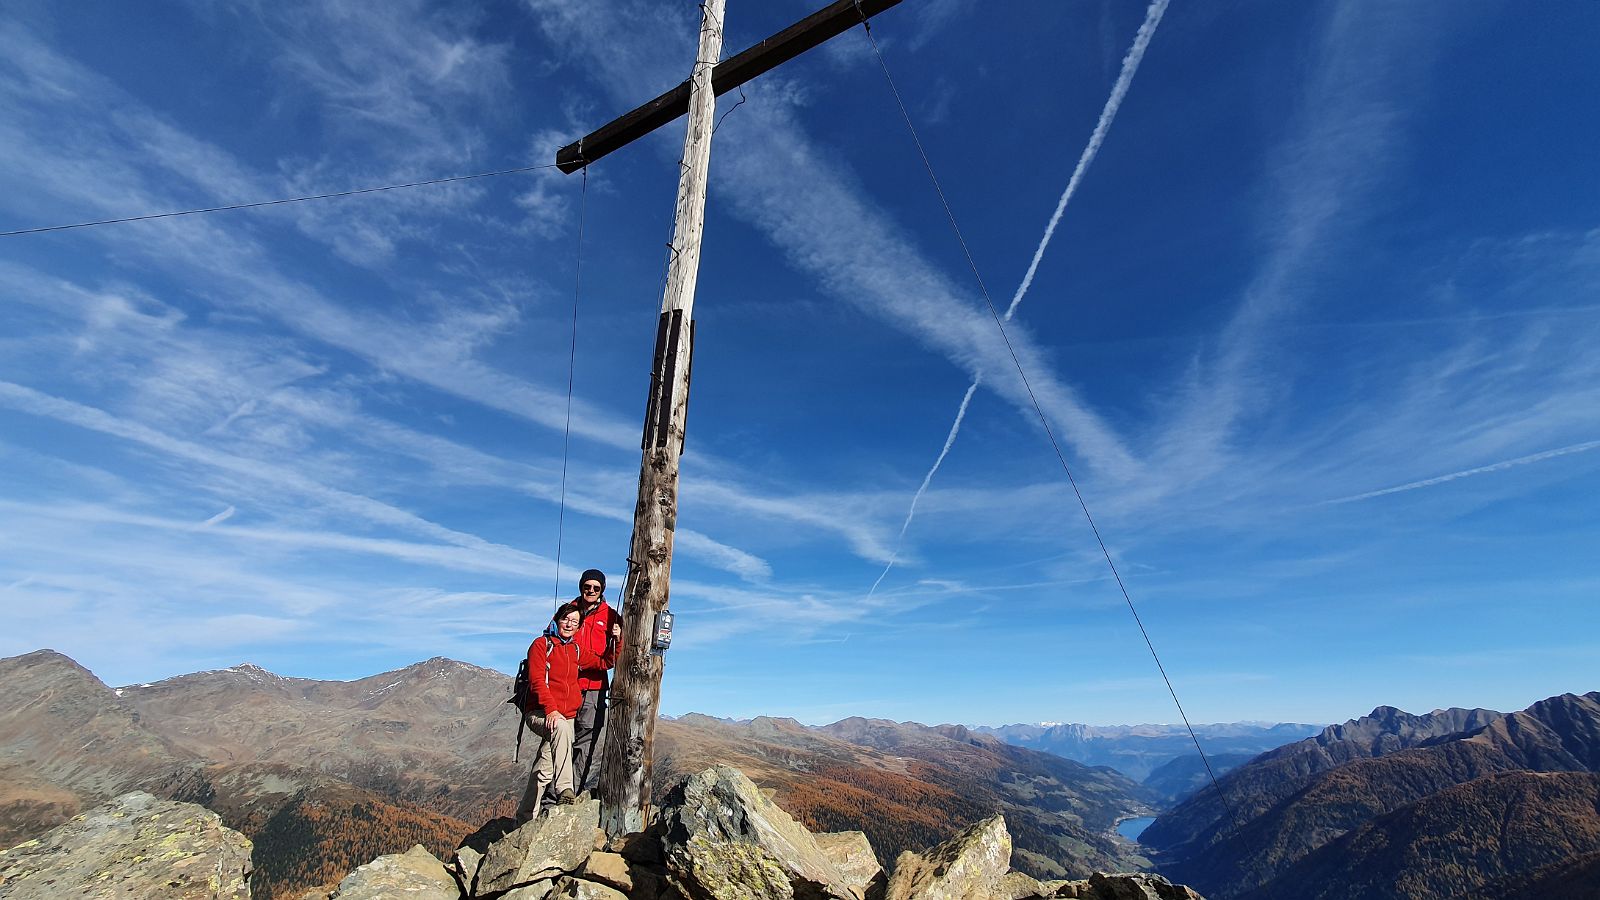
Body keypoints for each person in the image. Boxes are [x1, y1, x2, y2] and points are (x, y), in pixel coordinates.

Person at [515, 601, 619, 822]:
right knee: (561, 729)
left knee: (543, 770)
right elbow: (536, 682)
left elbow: (605, 662)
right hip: (541, 714)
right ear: (557, 619)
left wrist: (616, 641)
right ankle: (565, 789)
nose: (569, 624)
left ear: (579, 626)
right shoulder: (541, 645)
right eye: (566, 619)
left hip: (565, 717)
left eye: (574, 622)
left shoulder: (575, 649)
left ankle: (524, 819)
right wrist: (551, 711)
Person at [571, 568, 622, 792]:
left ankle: (569, 793)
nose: (591, 590)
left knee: (585, 744)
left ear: (602, 590)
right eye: (587, 586)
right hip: (566, 684)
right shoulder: (568, 612)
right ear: (581, 587)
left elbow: (612, 657)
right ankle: (548, 798)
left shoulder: (611, 616)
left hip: (594, 689)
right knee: (559, 742)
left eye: (596, 587)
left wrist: (618, 638)